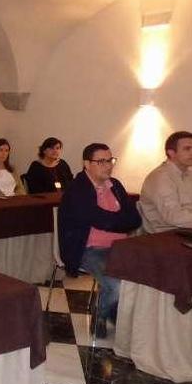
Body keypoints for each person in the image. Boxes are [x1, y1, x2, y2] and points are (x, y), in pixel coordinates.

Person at [59, 143, 142, 338]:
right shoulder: (77, 189)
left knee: (147, 276)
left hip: (121, 248)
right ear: (86, 164)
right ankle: (101, 314)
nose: (108, 165)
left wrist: (115, 222)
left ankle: (121, 315)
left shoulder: (116, 185)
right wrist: (121, 221)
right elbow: (95, 218)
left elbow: (135, 219)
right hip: (89, 249)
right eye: (101, 161)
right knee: (116, 285)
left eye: (110, 160)